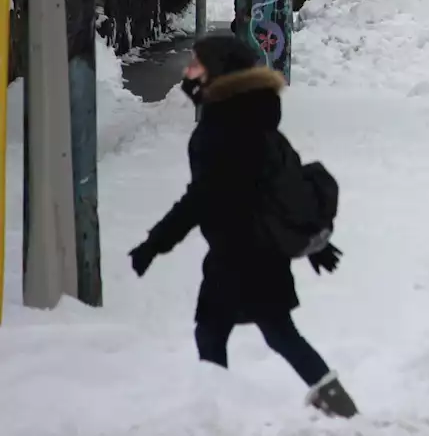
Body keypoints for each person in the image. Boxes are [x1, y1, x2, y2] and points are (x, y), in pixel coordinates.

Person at [128, 33, 357, 418]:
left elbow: (201, 198)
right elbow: (290, 181)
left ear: (218, 72)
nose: (187, 71)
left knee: (216, 332)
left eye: (196, 64)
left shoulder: (221, 130)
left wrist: (155, 243)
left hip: (238, 254)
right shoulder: (258, 119)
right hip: (258, 252)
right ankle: (335, 401)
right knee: (272, 332)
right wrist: (313, 241)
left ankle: (214, 413)